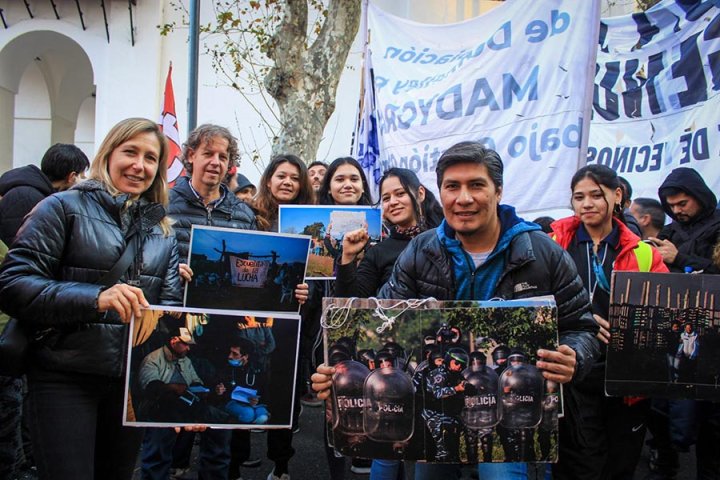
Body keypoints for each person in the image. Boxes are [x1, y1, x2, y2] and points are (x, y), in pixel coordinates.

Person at [313, 142, 601, 480]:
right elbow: (381, 324)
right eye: (452, 186)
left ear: (498, 191)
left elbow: (583, 329)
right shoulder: (420, 251)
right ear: (440, 192)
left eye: (476, 185)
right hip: (436, 406)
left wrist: (574, 357)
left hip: (507, 409)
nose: (463, 198)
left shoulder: (543, 253)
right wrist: (341, 374)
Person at [0, 117, 183, 480]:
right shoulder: (61, 208)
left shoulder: (164, 232)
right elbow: (12, 284)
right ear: (108, 154)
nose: (139, 165)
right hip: (63, 377)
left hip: (128, 387)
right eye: (130, 151)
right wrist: (95, 297)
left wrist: (186, 401)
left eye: (150, 158)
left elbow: (169, 312)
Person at [142, 124, 257, 480]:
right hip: (170, 327)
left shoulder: (242, 214)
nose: (215, 162)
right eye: (208, 153)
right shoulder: (160, 203)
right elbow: (140, 261)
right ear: (190, 155)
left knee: (217, 435)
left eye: (223, 156)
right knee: (159, 432)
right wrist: (170, 268)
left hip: (220, 333)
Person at [549, 164, 668, 480]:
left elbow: (663, 315)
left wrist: (628, 327)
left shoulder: (643, 254)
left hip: (625, 374)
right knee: (575, 462)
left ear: (617, 196)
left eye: (595, 195)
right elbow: (538, 304)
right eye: (578, 197)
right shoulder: (554, 245)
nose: (586, 204)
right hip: (573, 372)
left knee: (620, 461)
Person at [238, 154, 313, 480]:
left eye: (295, 178)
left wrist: (307, 293)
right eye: (281, 176)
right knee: (240, 385)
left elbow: (320, 279)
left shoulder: (309, 223)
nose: (287, 182)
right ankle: (235, 463)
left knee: (284, 395)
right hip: (248, 320)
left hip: (290, 324)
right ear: (268, 180)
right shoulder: (249, 217)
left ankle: (280, 465)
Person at [645, 167, 720, 479]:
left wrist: (681, 260)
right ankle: (665, 462)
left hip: (714, 339)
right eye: (672, 206)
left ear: (699, 197)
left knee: (712, 428)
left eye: (683, 204)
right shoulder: (671, 232)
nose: (677, 211)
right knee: (663, 411)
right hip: (675, 334)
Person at [335, 167, 443, 298]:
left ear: (420, 193)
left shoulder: (445, 238)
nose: (393, 202)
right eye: (386, 198)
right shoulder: (378, 252)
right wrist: (348, 257)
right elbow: (350, 304)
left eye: (400, 194)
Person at [0, 143, 89, 246]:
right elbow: (20, 246)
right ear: (72, 176)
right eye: (82, 177)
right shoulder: (27, 197)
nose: (83, 182)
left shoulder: (36, 194)